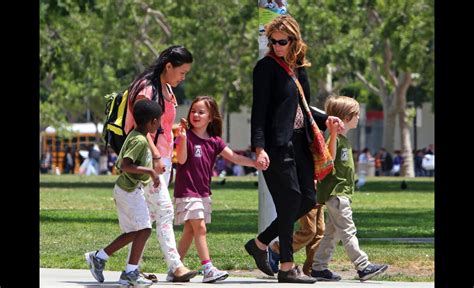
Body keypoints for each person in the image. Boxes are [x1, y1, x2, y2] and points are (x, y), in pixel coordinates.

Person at [245, 14, 344, 283]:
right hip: (277, 147)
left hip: (301, 144)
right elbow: (259, 111)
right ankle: (287, 267)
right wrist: (259, 148)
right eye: (272, 41)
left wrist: (327, 119)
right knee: (289, 202)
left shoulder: (298, 67)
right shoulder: (265, 68)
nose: (276, 45)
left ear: (294, 40)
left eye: (282, 41)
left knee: (308, 200)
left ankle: (261, 243)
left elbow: (303, 107)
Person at [123, 45, 197, 282]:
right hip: (149, 161)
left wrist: (173, 135)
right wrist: (155, 155)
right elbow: (138, 128)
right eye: (182, 72)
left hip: (163, 160)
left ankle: (123, 266)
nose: (183, 77)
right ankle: (176, 267)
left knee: (149, 218)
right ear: (168, 66)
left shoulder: (166, 88)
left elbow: (160, 127)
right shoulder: (147, 89)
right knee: (164, 210)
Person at [174, 96, 258, 283]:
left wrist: (255, 163)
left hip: (203, 192)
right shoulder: (185, 136)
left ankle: (175, 267)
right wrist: (182, 139)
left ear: (211, 117)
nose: (195, 114)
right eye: (193, 111)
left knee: (190, 231)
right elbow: (180, 160)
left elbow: (235, 158)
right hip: (188, 191)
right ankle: (208, 268)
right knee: (200, 228)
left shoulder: (215, 141)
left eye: (201, 112)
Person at [84, 100, 163, 286]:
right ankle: (130, 273)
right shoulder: (140, 140)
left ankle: (99, 257)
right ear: (152, 122)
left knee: (134, 232)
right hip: (129, 191)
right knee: (144, 230)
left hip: (126, 189)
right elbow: (126, 165)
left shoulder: (136, 135)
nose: (160, 124)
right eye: (159, 120)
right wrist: (150, 172)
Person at [311, 95, 388, 282]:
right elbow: (329, 157)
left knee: (332, 234)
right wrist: (334, 133)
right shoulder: (334, 139)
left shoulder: (344, 140)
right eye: (356, 115)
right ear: (346, 118)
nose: (359, 118)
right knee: (348, 230)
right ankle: (363, 266)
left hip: (341, 193)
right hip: (336, 194)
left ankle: (319, 267)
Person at [268, 189, 326, 276]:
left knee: (319, 233)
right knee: (309, 231)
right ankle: (276, 250)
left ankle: (312, 268)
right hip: (309, 190)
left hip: (320, 191)